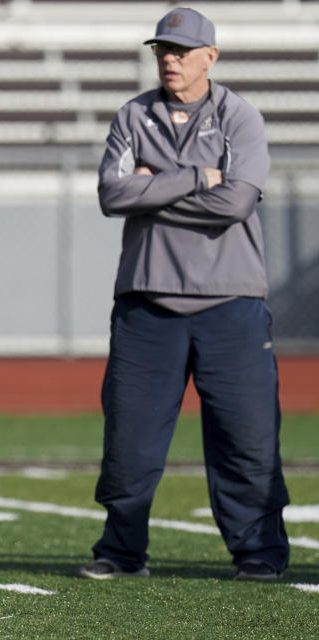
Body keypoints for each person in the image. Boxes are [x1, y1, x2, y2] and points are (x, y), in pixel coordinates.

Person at [77, 8, 290, 582]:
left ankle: (260, 554)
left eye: (181, 50)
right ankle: (121, 552)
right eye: (162, 50)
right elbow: (112, 195)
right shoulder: (133, 115)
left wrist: (153, 185)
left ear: (209, 57)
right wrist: (200, 177)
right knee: (130, 438)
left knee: (246, 437)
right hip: (147, 302)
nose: (169, 59)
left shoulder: (240, 118)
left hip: (232, 303)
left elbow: (236, 203)